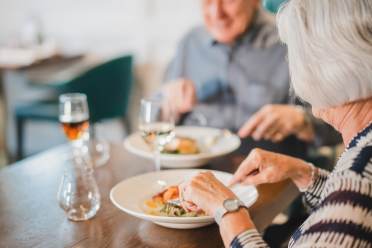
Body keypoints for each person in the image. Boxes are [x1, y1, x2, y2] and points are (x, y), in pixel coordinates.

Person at [180, 0, 372, 247]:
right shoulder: (360, 160)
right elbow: (348, 207)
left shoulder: (358, 180)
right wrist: (305, 174)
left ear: (332, 67)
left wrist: (227, 209)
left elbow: (352, 201)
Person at [161, 0, 340, 159]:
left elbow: (340, 127)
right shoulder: (189, 43)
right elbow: (153, 120)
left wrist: (302, 120)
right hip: (194, 171)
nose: (217, 13)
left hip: (269, 175)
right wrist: (168, 103)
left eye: (228, 1)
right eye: (207, 2)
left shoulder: (290, 44)